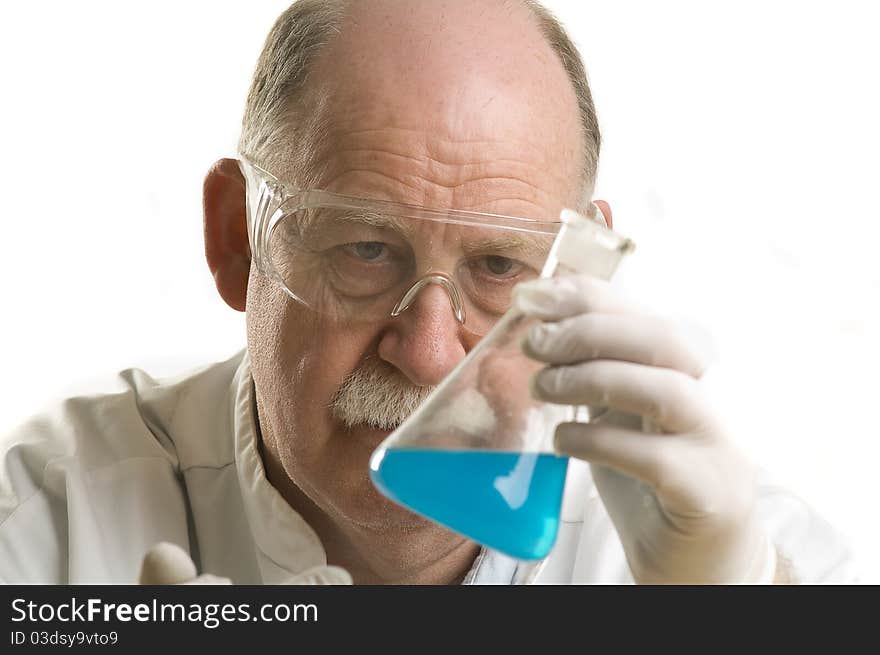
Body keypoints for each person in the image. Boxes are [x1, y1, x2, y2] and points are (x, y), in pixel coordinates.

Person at [0, 0, 856, 585]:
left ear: (579, 276)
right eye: (367, 249)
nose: (430, 350)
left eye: (498, 268)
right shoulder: (54, 520)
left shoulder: (711, 541)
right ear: (236, 238)